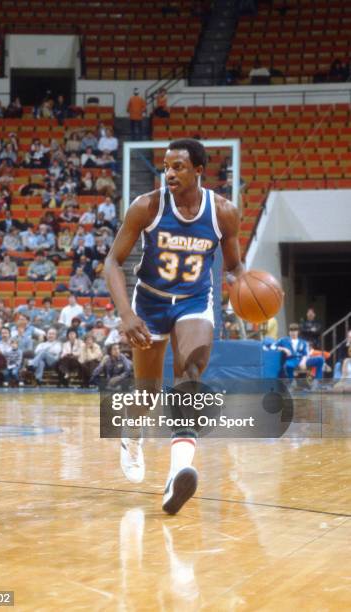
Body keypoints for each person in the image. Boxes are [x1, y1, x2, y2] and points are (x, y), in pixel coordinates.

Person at [104, 138, 244, 514]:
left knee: (191, 374)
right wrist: (126, 315)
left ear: (199, 170)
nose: (169, 173)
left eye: (178, 167)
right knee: (146, 395)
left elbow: (234, 266)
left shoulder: (223, 213)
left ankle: (178, 472)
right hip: (148, 303)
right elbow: (112, 263)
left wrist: (245, 286)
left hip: (195, 302)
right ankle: (132, 436)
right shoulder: (146, 206)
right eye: (166, 167)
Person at [274, 323, 324, 387]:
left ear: (298, 332)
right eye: (291, 330)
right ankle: (291, 384)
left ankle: (317, 383)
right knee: (288, 365)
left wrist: (303, 361)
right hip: (291, 359)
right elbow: (272, 346)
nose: (293, 332)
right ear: (289, 332)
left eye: (295, 330)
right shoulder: (284, 340)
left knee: (320, 359)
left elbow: (306, 354)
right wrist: (283, 349)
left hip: (302, 360)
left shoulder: (303, 342)